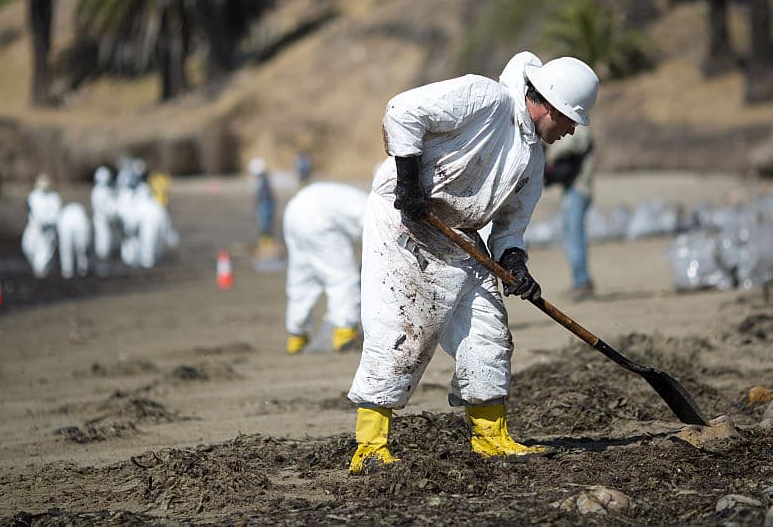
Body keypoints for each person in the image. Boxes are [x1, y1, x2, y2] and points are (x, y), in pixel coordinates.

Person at [346, 51, 599, 474]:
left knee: (489, 331)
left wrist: (516, 265)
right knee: (401, 332)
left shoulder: (533, 158)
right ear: (549, 104)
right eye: (570, 119)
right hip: (404, 221)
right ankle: (370, 446)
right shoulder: (486, 99)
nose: (571, 130)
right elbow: (402, 111)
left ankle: (491, 437)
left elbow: (509, 228)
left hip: (459, 237)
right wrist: (409, 185)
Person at [282, 181, 369, 355]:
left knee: (301, 276)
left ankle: (296, 334)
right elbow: (376, 245)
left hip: (293, 211)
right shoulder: (375, 209)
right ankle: (345, 332)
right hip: (319, 218)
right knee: (342, 277)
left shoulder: (360, 198)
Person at [543, 125, 597, 300]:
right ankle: (580, 281)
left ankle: (582, 282)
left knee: (574, 237)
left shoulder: (580, 130)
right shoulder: (578, 129)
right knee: (572, 236)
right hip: (573, 190)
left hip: (579, 190)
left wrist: (548, 151)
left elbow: (569, 146)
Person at [22, 174, 62, 277]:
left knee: (44, 253)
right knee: (27, 247)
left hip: (47, 232)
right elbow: (31, 210)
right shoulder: (33, 196)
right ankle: (38, 268)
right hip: (33, 229)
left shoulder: (54, 197)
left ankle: (41, 273)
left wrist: (49, 223)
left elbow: (56, 214)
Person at [57, 202, 92, 279]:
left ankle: (82, 269)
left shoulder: (79, 213)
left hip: (78, 217)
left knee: (81, 247)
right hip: (67, 217)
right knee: (66, 247)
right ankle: (67, 270)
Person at [90, 166, 117, 261]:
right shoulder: (98, 191)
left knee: (108, 239)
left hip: (108, 221)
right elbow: (101, 208)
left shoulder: (107, 191)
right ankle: (102, 259)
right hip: (101, 220)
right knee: (103, 240)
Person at [249, 157, 275, 240]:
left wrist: (256, 202)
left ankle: (266, 239)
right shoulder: (265, 178)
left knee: (265, 222)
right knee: (264, 222)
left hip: (265, 203)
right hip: (265, 202)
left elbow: (260, 193)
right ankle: (265, 238)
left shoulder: (262, 179)